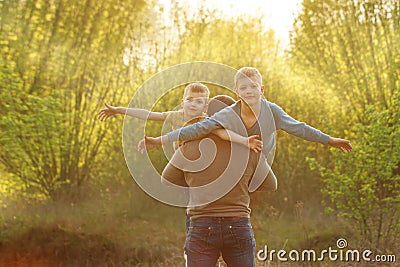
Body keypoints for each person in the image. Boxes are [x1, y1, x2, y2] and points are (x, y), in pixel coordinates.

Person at [162, 95, 277, 267]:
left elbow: (167, 178)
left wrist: (196, 182)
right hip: (238, 223)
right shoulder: (250, 149)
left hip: (201, 224)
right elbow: (271, 184)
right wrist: (240, 185)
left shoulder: (188, 147)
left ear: (208, 116)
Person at [138, 67, 352, 158]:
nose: (249, 91)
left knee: (270, 183)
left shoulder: (273, 111)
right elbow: (197, 128)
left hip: (260, 158)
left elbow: (299, 128)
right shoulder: (229, 114)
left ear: (261, 89)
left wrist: (329, 140)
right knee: (208, 136)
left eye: (253, 87)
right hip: (236, 154)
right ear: (238, 92)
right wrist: (159, 140)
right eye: (244, 88)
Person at [98, 82, 262, 152]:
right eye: (189, 100)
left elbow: (222, 134)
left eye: (199, 102)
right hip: (181, 158)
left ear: (205, 106)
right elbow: (147, 115)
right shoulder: (175, 116)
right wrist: (119, 110)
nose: (193, 104)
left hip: (199, 157)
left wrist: (244, 141)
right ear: (182, 102)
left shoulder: (206, 121)